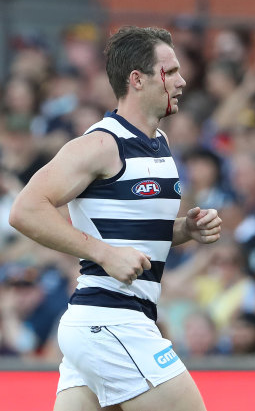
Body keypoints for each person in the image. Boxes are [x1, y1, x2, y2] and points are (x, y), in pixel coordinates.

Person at [9, 26, 222, 411]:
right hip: (110, 321)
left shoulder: (161, 143)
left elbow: (136, 236)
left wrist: (185, 230)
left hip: (104, 324)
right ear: (137, 80)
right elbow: (25, 209)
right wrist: (105, 253)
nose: (182, 80)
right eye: (170, 71)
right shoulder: (100, 144)